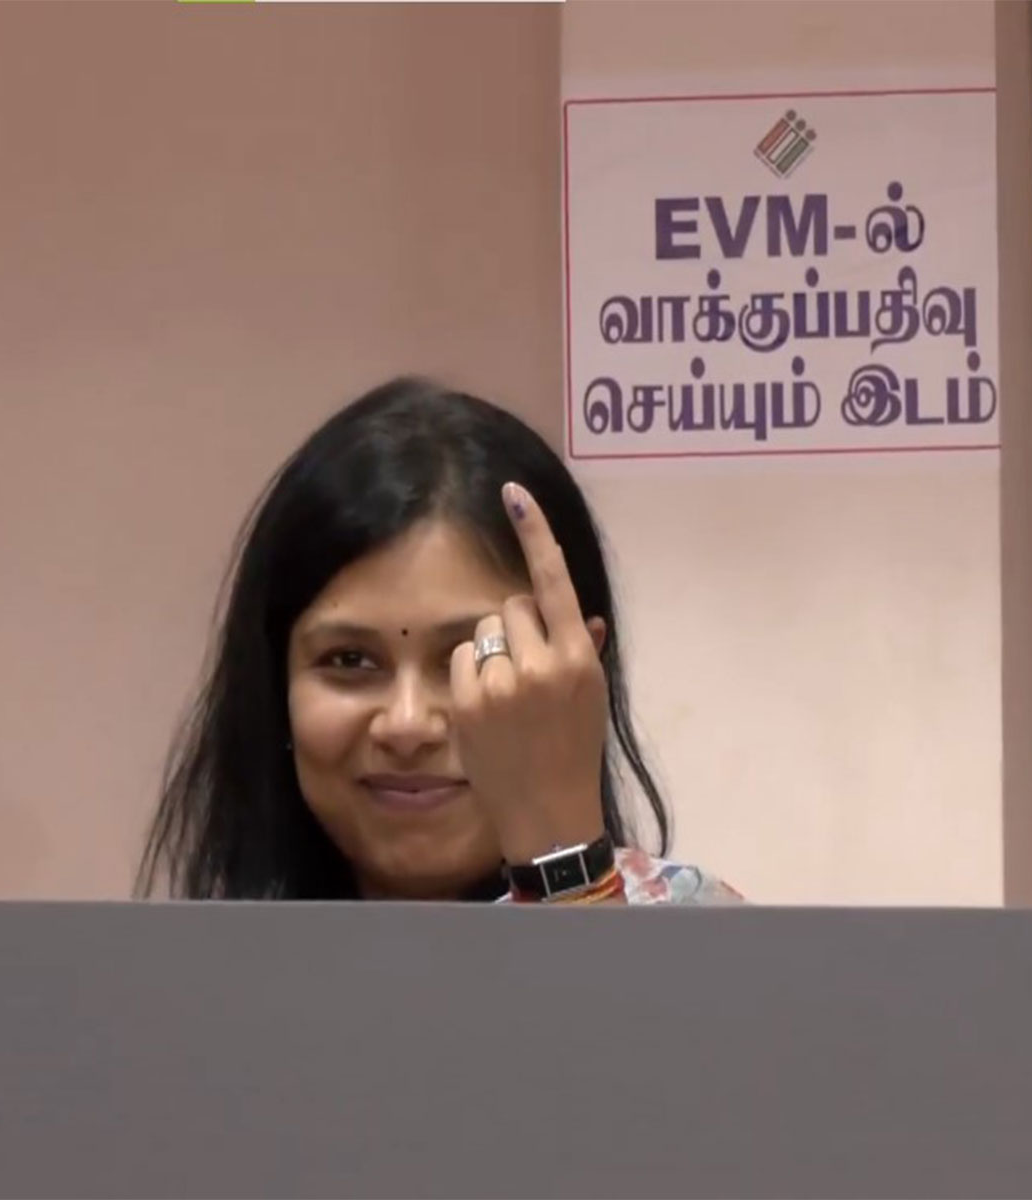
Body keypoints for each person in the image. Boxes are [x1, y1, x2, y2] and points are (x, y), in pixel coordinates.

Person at [137, 376, 739, 905]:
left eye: (473, 657)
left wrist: (565, 869)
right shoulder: (196, 985)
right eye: (349, 660)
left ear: (580, 673)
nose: (407, 724)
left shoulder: (705, 950)